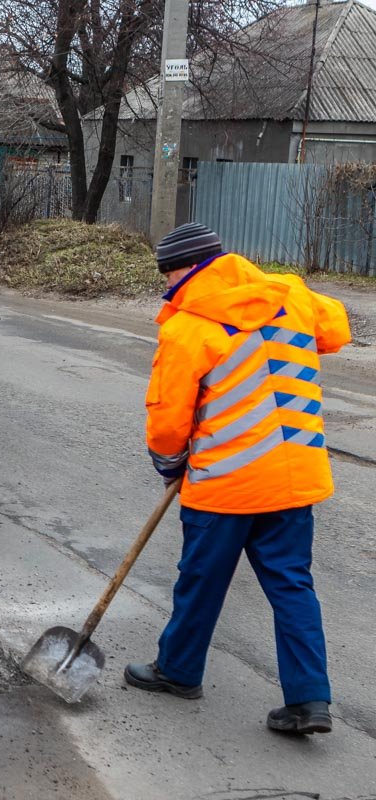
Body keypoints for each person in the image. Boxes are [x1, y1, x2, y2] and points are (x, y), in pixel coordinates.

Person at [126, 222, 351, 735]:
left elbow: (166, 417)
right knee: (293, 585)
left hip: (226, 485)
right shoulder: (289, 295)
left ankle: (179, 672)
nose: (169, 284)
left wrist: (168, 462)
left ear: (185, 270)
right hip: (294, 477)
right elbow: (335, 329)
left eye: (170, 273)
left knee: (201, 582)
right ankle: (310, 700)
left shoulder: (189, 325)